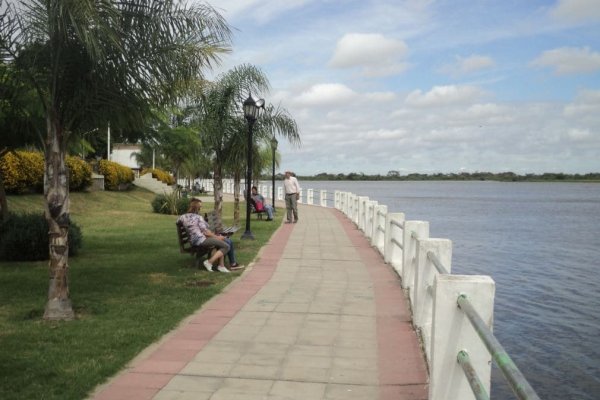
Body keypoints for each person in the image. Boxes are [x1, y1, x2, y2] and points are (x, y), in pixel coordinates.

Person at [177, 198, 240, 272]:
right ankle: (209, 262)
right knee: (226, 246)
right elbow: (206, 232)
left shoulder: (182, 217)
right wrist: (217, 237)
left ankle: (221, 266)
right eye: (200, 207)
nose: (201, 208)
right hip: (201, 240)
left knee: (224, 241)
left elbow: (178, 222)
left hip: (193, 240)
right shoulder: (198, 217)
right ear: (197, 208)